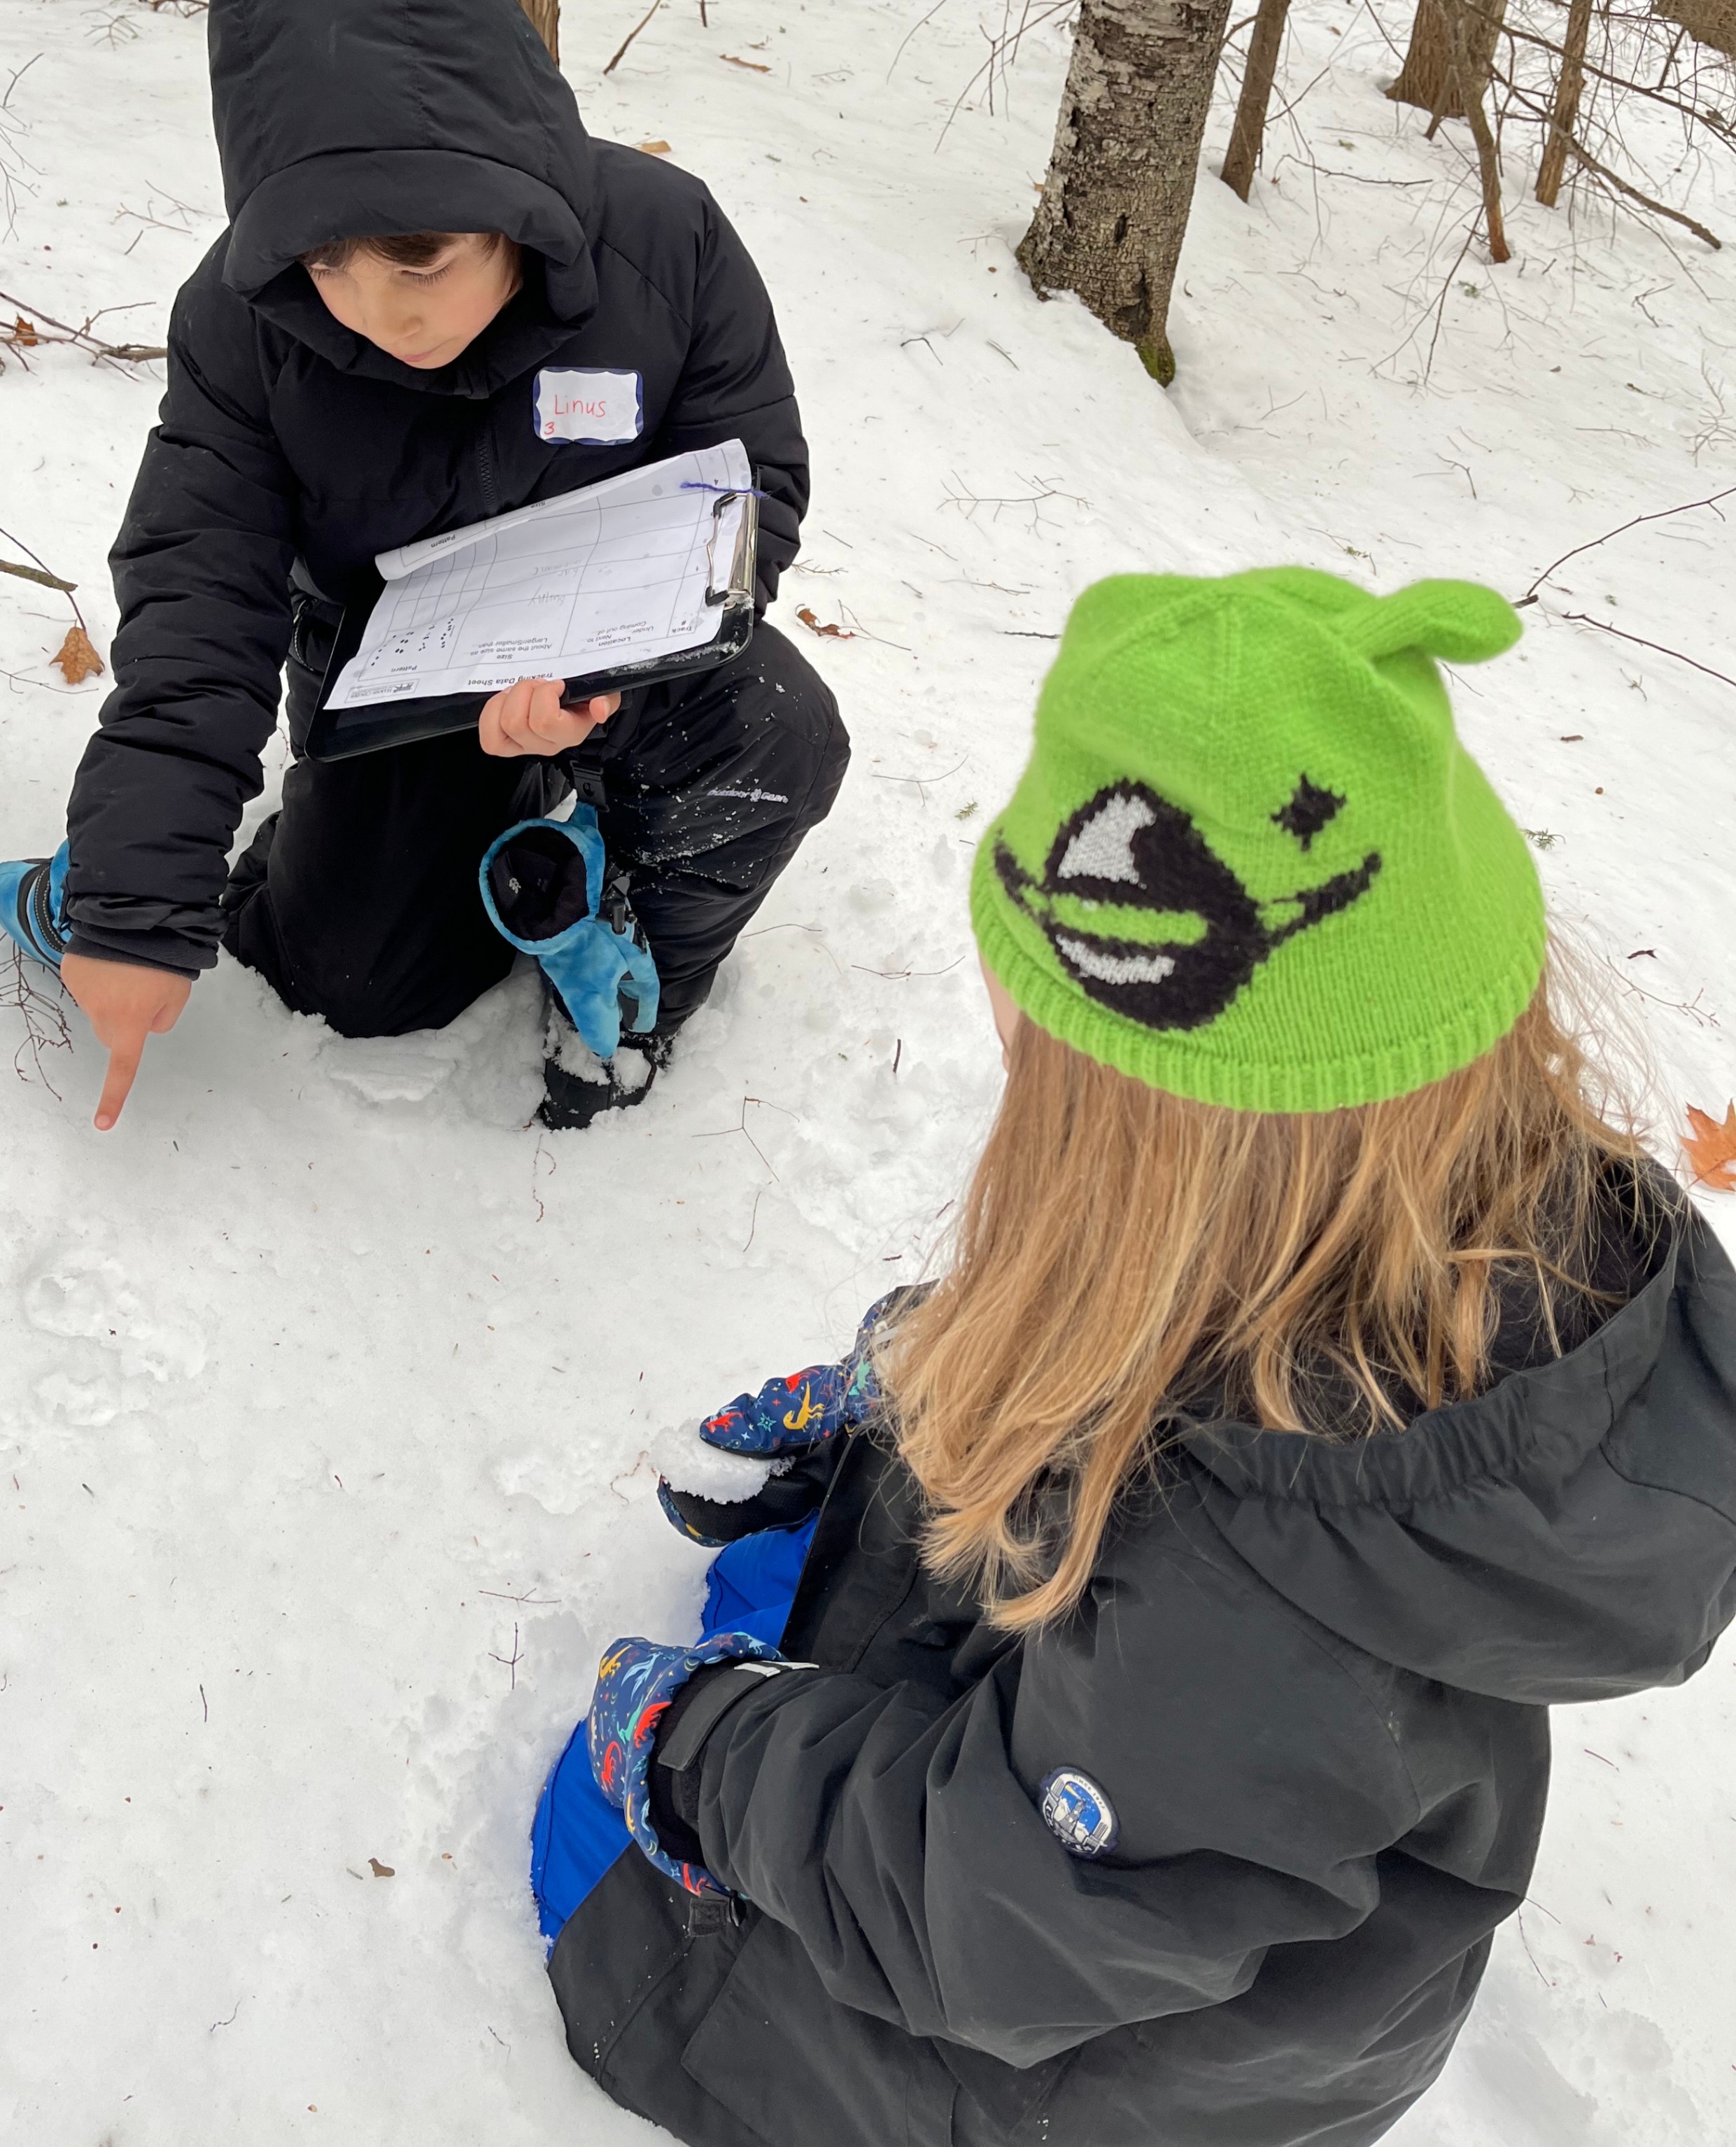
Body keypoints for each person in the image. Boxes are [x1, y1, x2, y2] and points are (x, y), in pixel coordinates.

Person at [530, 565, 1736, 2147]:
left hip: (1094, 2070)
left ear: (1145, 1145)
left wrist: (700, 1755)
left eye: (1039, 1044)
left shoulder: (1250, 1610)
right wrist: (910, 1401)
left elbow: (995, 1923)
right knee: (808, 1586)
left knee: (586, 1845)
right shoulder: (1423, 1225)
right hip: (1211, 1863)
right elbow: (1142, 1370)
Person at [0, 0, 847, 1130]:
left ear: (510, 186)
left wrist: (602, 676)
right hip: (398, 682)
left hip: (621, 661)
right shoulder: (245, 323)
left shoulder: (664, 243)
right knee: (356, 980)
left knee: (780, 731)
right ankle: (114, 885)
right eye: (329, 265)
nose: (381, 311)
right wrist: (132, 902)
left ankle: (618, 940)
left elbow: (752, 485)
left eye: (421, 260)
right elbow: (201, 600)